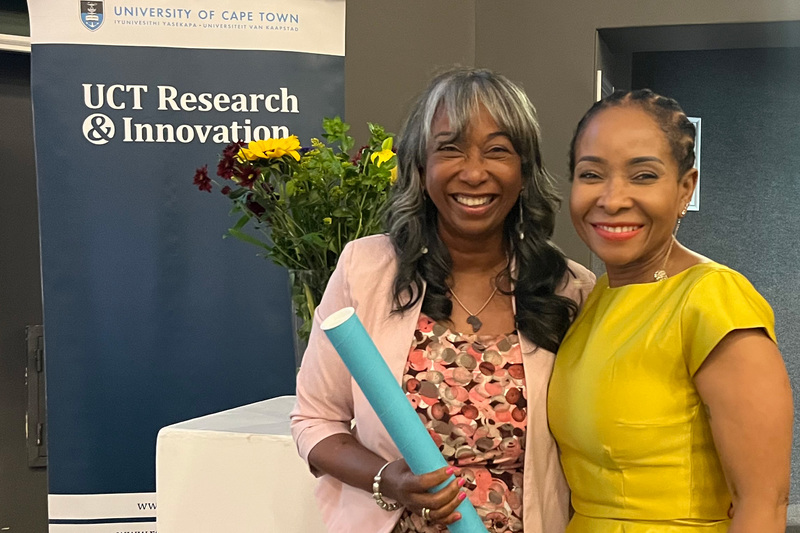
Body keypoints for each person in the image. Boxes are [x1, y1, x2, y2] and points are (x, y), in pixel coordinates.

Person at [290, 67, 595, 533]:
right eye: (450, 149)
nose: (474, 172)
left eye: (498, 151)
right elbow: (315, 420)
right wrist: (385, 479)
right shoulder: (366, 270)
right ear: (419, 165)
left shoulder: (568, 288)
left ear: (525, 170)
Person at [548, 89, 793, 533]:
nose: (613, 198)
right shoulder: (593, 298)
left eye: (643, 176)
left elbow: (763, 504)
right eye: (591, 174)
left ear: (685, 188)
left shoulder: (714, 299)